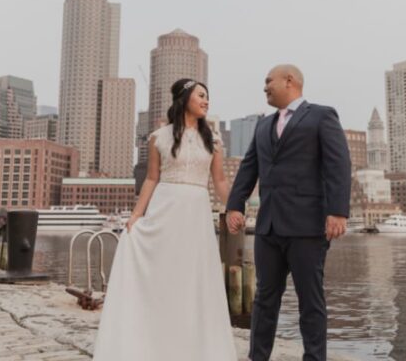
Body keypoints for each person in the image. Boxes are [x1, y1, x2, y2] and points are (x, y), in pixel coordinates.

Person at [92, 78, 237, 360]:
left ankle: (191, 347)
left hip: (195, 211)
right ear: (184, 100)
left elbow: (219, 181)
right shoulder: (159, 137)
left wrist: (233, 207)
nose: (206, 101)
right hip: (164, 209)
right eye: (201, 96)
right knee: (163, 275)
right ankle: (152, 343)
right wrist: (136, 216)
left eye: (208, 96)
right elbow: (151, 178)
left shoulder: (214, 140)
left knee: (192, 278)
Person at [226, 64, 351, 361]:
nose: (265, 87)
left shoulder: (322, 115)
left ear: (289, 81)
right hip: (268, 227)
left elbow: (339, 164)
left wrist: (337, 211)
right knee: (265, 299)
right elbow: (248, 168)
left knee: (310, 300)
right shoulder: (262, 125)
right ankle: (257, 357)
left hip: (308, 226)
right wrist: (235, 204)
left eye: (269, 81)